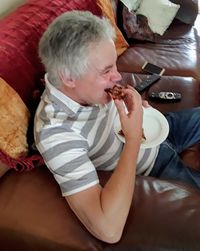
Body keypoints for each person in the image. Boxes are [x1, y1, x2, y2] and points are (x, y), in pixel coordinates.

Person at [34, 10, 200, 243]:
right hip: (153, 164)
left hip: (160, 129)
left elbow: (112, 99)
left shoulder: (83, 86)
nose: (118, 77)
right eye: (106, 71)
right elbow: (108, 230)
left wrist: (135, 107)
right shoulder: (56, 135)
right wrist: (133, 138)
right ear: (69, 77)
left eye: (114, 65)